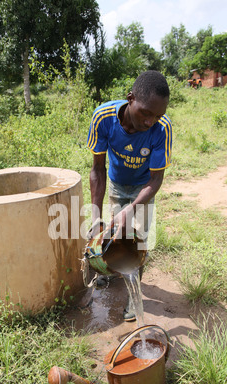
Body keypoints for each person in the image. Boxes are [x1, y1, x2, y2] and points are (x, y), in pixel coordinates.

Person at [87, 70, 172, 321]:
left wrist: (132, 207)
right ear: (130, 98)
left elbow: (156, 179)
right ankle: (106, 272)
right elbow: (97, 169)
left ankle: (134, 300)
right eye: (146, 112)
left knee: (137, 241)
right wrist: (94, 214)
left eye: (158, 115)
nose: (150, 121)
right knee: (114, 236)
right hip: (115, 183)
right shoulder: (103, 118)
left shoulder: (161, 129)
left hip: (143, 188)